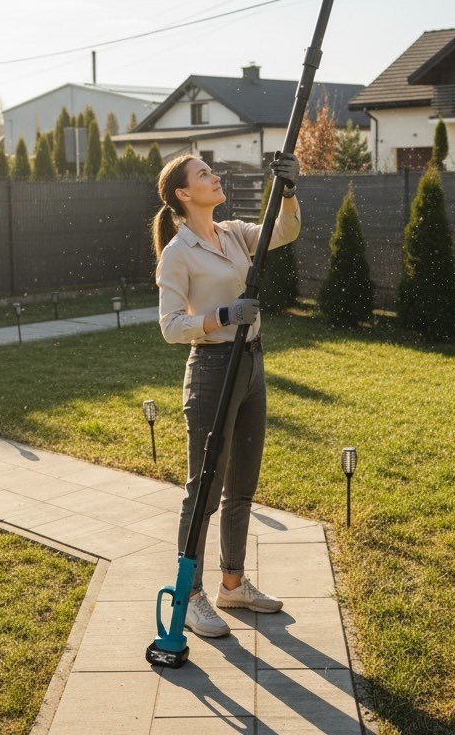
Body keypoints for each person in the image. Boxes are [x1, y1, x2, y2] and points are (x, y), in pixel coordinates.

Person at [152, 152, 301, 638]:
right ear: (183, 193)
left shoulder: (234, 231)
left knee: (243, 483)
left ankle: (232, 584)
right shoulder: (178, 252)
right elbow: (171, 327)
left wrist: (290, 189)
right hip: (213, 368)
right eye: (203, 175)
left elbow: (283, 232)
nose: (214, 178)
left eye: (211, 172)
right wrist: (222, 316)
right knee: (204, 490)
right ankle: (189, 596)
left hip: (252, 362)